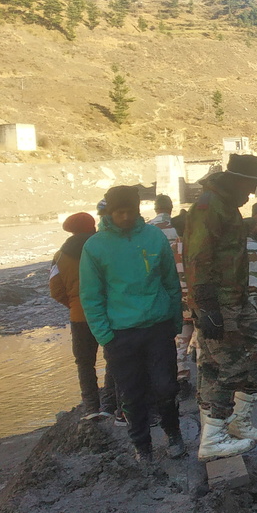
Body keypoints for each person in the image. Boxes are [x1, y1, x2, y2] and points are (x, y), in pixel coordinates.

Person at [79, 186, 185, 461]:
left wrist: (174, 321)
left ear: (138, 210)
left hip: (158, 327)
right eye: (119, 212)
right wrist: (105, 336)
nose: (125, 217)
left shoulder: (153, 237)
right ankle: (142, 446)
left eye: (130, 211)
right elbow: (91, 296)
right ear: (109, 212)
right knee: (131, 394)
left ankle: (173, 434)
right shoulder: (95, 246)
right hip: (120, 335)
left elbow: (170, 282)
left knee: (166, 387)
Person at [184, 154, 257, 461]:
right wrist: (207, 305)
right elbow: (198, 257)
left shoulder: (226, 205)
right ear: (237, 180)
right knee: (227, 366)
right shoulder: (209, 206)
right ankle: (214, 436)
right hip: (217, 301)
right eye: (252, 186)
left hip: (235, 299)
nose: (252, 193)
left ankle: (237, 421)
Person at [50, 212, 117, 421]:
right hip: (108, 313)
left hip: (79, 317)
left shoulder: (60, 256)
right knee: (113, 357)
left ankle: (91, 408)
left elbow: (55, 291)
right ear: (92, 227)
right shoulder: (104, 248)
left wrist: (74, 305)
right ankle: (110, 405)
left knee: (84, 362)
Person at [148, 195, 193, 391]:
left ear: (155, 207)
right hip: (195, 296)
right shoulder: (184, 236)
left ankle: (179, 375)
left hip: (170, 294)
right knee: (201, 338)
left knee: (179, 338)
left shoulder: (149, 230)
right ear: (171, 207)